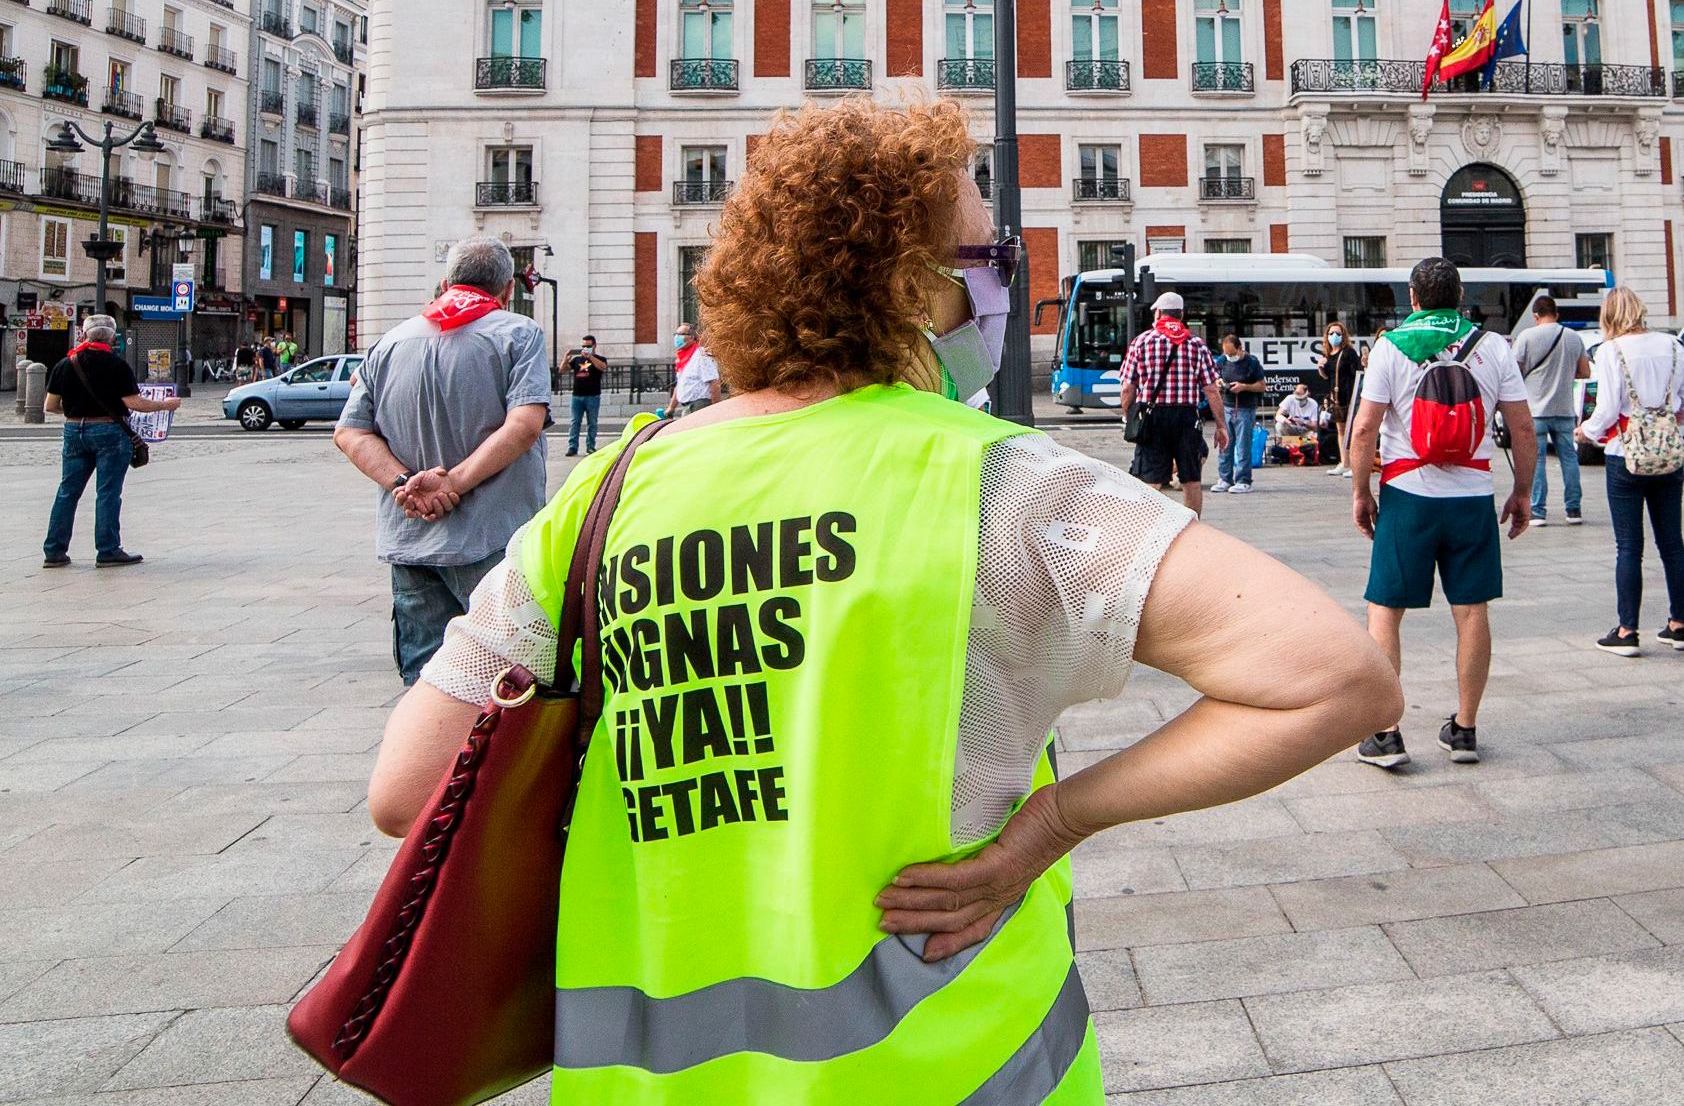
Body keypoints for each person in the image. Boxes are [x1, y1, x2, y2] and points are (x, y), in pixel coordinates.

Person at [362, 98, 1400, 1105]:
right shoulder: (1003, 483)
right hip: (956, 1066)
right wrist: (1049, 825)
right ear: (911, 282)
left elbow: (407, 792)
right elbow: (1336, 679)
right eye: (986, 260)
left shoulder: (607, 494)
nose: (995, 287)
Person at [334, 237, 551, 685]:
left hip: (411, 540)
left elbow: (350, 431)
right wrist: (451, 484)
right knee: (505, 683)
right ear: (508, 290)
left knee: (425, 682)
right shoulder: (518, 333)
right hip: (494, 539)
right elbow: (525, 424)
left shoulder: (389, 342)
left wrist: (404, 483)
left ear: (444, 282)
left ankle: (429, 756)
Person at [1349, 257, 1536, 769]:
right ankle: (1465, 729)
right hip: (1472, 497)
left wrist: (1361, 493)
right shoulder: (1492, 346)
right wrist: (1522, 491)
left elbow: (1365, 429)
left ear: (1413, 298)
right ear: (1460, 297)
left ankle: (1386, 734)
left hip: (1407, 494)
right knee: (1472, 611)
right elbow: (1522, 429)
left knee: (1386, 609)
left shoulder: (1390, 346)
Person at [1578, 286, 1684, 656]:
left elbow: (1607, 408)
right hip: (1668, 453)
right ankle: (1679, 622)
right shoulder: (1673, 346)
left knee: (1629, 545)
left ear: (1610, 315)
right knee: (1673, 543)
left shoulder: (1611, 351)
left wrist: (1587, 432)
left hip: (1625, 454)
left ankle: (1627, 631)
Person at [40, 315, 179, 569]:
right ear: (112, 339)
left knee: (67, 492)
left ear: (84, 335)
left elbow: (50, 406)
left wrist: (77, 411)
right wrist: (165, 405)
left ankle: (54, 551)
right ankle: (107, 549)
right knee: (108, 492)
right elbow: (134, 403)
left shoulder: (65, 363)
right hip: (109, 432)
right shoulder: (117, 366)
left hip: (74, 430)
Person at [1120, 292, 1229, 517]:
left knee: (1150, 479)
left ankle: (1152, 528)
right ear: (1181, 315)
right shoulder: (1196, 344)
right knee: (1191, 479)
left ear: (1158, 313)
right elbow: (1212, 390)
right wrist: (1220, 426)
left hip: (1152, 416)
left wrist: (1128, 416)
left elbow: (1127, 388)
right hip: (1187, 417)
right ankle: (1192, 527)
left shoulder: (1142, 341)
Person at [1514, 295, 1592, 525]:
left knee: (1536, 461)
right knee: (1569, 459)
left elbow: (1514, 373)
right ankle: (1573, 509)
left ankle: (1538, 511)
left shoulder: (1526, 336)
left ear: (1535, 315)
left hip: (1535, 409)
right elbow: (1585, 372)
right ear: (1557, 314)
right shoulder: (1573, 337)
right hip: (1564, 408)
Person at [1210, 335, 1264, 495]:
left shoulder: (1252, 363)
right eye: (1227, 354)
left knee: (1243, 446)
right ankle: (1225, 478)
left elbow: (1262, 386)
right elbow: (1214, 377)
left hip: (1245, 408)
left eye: (1232, 354)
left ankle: (1243, 480)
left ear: (1240, 349)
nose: (1229, 357)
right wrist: (1219, 382)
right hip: (1226, 406)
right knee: (1225, 444)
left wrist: (1244, 387)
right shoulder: (1222, 361)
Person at [1318, 322, 1361, 477]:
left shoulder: (1348, 352)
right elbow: (1327, 377)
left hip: (1349, 395)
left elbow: (1357, 373)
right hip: (1336, 397)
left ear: (1343, 335)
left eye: (1337, 333)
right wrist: (1320, 368)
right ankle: (1345, 462)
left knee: (1352, 430)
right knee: (1341, 430)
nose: (1334, 336)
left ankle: (1355, 464)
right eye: (1331, 333)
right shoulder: (1328, 354)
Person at [561, 333, 608, 457]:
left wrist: (590, 357)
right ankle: (572, 447)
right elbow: (562, 370)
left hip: (593, 396)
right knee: (574, 422)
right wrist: (565, 359)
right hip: (577, 396)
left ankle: (590, 446)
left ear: (594, 346)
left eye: (588, 346)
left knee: (592, 422)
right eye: (583, 346)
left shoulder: (600, 359)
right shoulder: (577, 360)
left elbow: (603, 367)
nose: (585, 348)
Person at [665, 322, 721, 417]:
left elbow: (714, 382)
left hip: (699, 406)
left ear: (691, 337)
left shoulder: (701, 355)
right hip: (687, 407)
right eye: (676, 334)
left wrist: (715, 409)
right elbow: (680, 384)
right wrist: (671, 407)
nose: (677, 337)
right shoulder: (682, 358)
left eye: (681, 334)